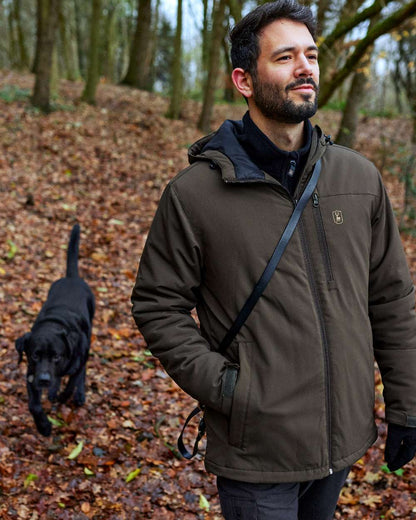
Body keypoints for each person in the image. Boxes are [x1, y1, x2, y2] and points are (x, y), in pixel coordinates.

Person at [131, 1, 416, 518]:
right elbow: (157, 306)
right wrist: (231, 391)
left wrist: (408, 404)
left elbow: (392, 297)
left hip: (342, 437)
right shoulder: (195, 195)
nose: (305, 66)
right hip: (257, 451)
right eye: (285, 57)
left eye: (310, 54)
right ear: (244, 80)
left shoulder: (358, 179)